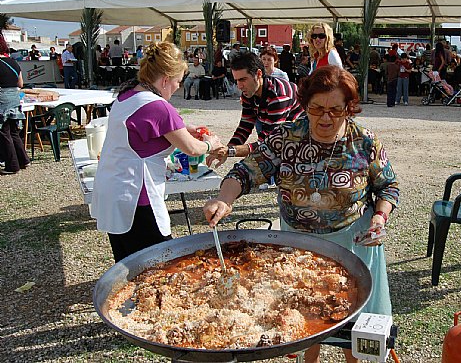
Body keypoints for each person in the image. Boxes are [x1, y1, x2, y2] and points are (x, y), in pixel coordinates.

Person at [203, 65, 399, 363]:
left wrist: (379, 219)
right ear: (304, 105)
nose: (324, 117)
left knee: (353, 331)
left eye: (335, 110)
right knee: (303, 320)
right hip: (298, 247)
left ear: (350, 108)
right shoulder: (287, 137)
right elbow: (245, 171)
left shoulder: (364, 141)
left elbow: (388, 186)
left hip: (353, 243)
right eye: (316, 108)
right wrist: (224, 199)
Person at [92, 42, 222, 262]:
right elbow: (191, 148)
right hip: (136, 196)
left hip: (113, 190)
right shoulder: (159, 107)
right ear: (164, 80)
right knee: (158, 262)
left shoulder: (127, 95)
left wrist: (184, 128)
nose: (177, 88)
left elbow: (154, 126)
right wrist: (211, 143)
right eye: (177, 82)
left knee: (126, 262)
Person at [209, 51, 304, 167]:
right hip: (283, 135)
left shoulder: (278, 96)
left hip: (301, 138)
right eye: (237, 80)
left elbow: (268, 142)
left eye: (243, 79)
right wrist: (226, 150)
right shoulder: (249, 92)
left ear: (258, 74)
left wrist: (231, 151)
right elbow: (245, 126)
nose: (239, 86)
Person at [0, 36, 31, 175]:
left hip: (2, 98)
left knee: (4, 132)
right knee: (13, 131)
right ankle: (24, 160)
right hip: (14, 97)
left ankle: (12, 165)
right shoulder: (13, 62)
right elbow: (20, 84)